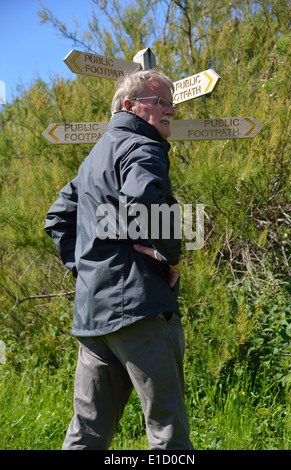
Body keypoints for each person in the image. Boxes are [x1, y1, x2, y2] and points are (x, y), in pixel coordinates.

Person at [45, 69, 193, 450]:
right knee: (168, 433)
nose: (170, 111)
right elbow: (144, 201)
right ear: (130, 106)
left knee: (87, 432)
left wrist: (87, 269)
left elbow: (58, 218)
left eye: (171, 104)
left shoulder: (94, 157)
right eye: (161, 102)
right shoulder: (143, 146)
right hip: (141, 310)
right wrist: (169, 254)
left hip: (95, 318)